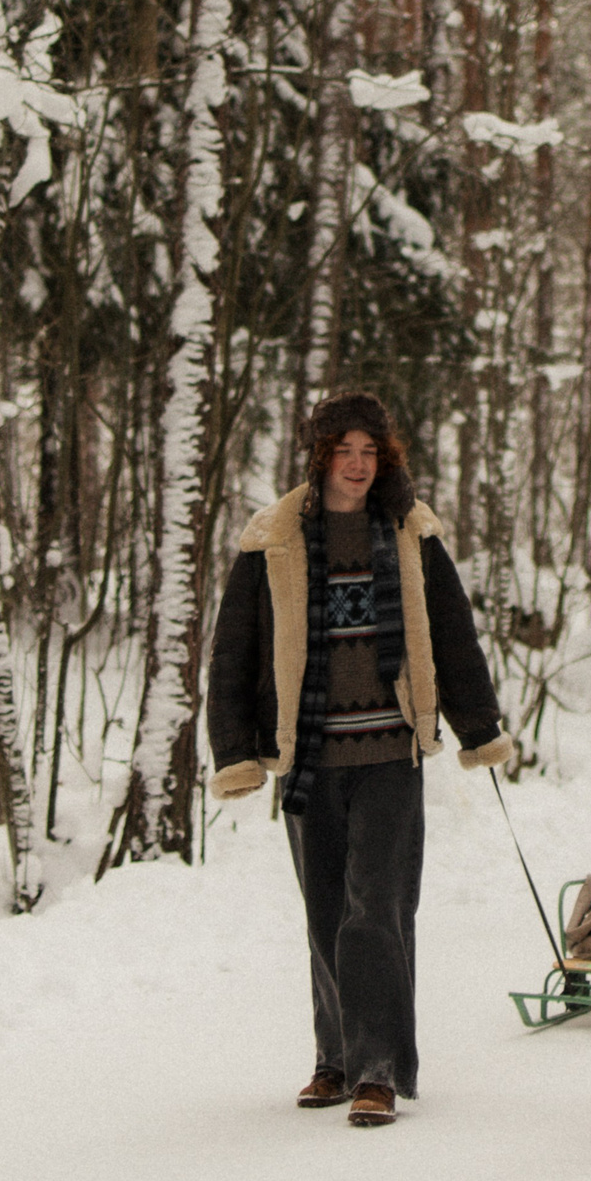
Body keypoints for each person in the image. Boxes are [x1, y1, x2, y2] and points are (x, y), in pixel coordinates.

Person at [207, 394, 512, 1126]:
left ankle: (378, 1069)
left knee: (376, 908)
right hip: (310, 754)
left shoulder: (411, 532)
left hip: (387, 752)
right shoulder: (273, 538)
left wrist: (479, 729)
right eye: (345, 451)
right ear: (320, 457)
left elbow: (453, 635)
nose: (358, 465)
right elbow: (234, 656)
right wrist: (237, 751)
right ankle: (336, 1057)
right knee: (325, 912)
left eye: (370, 453)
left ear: (386, 459)